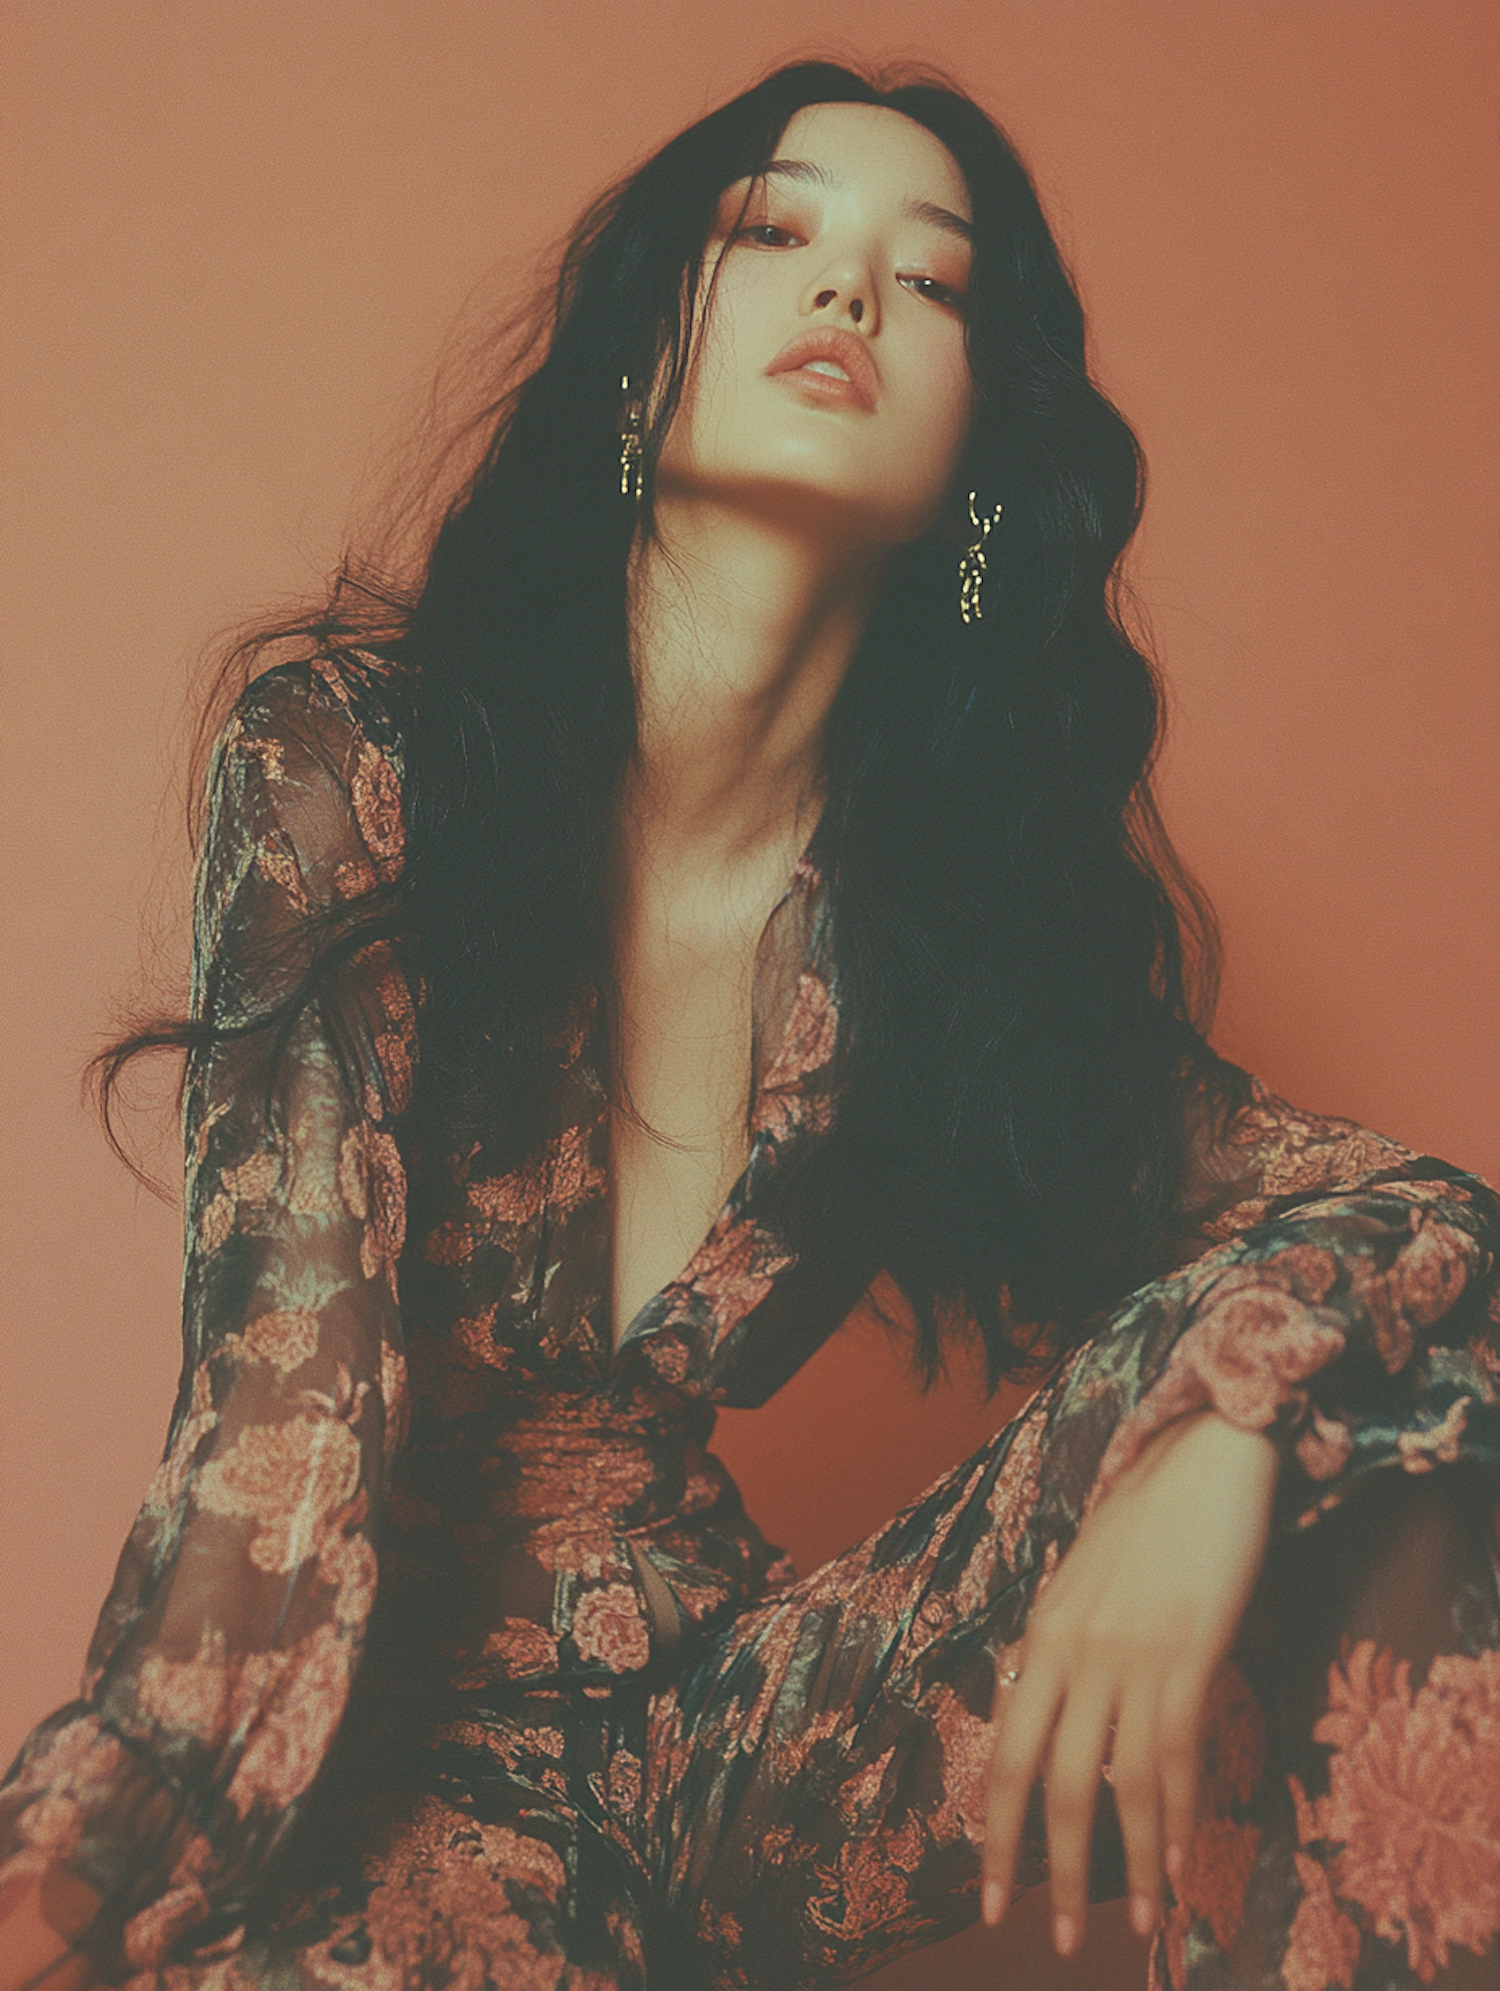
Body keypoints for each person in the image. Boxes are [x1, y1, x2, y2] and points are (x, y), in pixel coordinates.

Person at [0, 58, 1495, 1991]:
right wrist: (85, 1869)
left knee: (1376, 1451)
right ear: (641, 370)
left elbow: (1412, 1218)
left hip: (738, 1738)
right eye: (775, 233)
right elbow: (276, 1426)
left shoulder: (940, 929)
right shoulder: (361, 771)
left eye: (931, 280)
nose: (851, 289)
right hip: (370, 1731)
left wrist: (1229, 1416)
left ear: (973, 465)